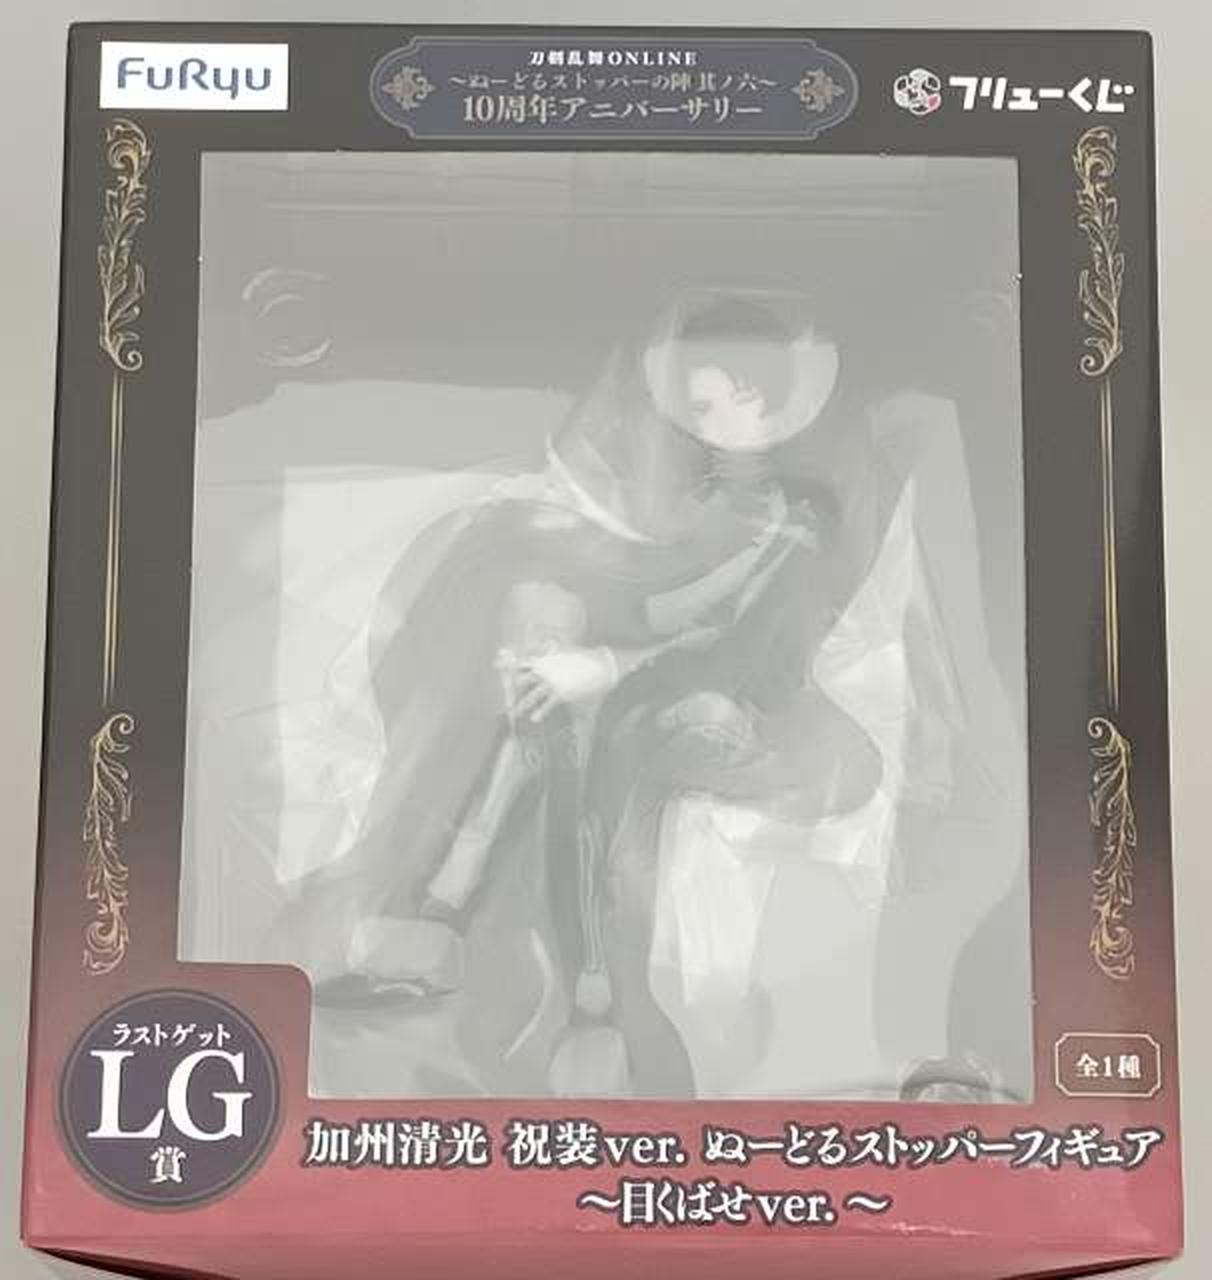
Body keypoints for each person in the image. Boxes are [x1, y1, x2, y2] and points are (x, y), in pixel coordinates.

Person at [271, 291, 881, 1096]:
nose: (701, 424)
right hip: (664, 671)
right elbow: (662, 601)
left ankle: (587, 997)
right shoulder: (713, 500)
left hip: (746, 704)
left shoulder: (794, 518)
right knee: (538, 694)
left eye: (710, 405)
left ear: (754, 398)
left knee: (600, 726)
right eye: (694, 407)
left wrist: (606, 663)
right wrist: (566, 630)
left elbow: (728, 640)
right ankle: (450, 920)